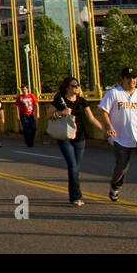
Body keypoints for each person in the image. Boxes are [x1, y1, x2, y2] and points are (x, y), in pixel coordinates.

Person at [96, 68, 137, 207]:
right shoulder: (114, 93)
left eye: (134, 78)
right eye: (129, 78)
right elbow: (103, 111)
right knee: (122, 167)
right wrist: (109, 127)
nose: (132, 81)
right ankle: (115, 186)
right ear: (123, 79)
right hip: (121, 138)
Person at [50, 76, 105, 207]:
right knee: (73, 166)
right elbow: (49, 115)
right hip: (65, 137)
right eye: (74, 85)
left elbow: (91, 118)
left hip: (80, 137)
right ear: (67, 87)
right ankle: (76, 196)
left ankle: (73, 194)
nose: (77, 88)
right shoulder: (59, 100)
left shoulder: (82, 101)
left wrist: (104, 129)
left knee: (76, 168)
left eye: (78, 85)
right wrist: (61, 113)